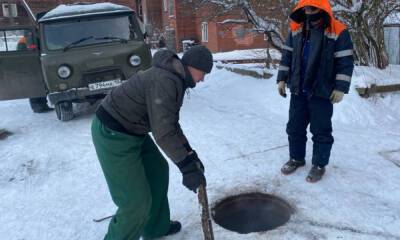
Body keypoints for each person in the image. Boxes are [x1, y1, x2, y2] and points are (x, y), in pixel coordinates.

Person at [91, 45, 213, 240]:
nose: (203, 79)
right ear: (191, 66)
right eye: (203, 73)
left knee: (158, 170)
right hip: (113, 132)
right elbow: (163, 133)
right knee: (135, 203)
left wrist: (189, 154)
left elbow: (170, 123)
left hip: (133, 130)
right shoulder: (165, 80)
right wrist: (186, 167)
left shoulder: (175, 78)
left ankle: (155, 227)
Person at [277, 0, 354, 182]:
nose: (308, 12)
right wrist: (281, 78)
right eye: (305, 8)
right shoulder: (296, 28)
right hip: (298, 89)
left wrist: (340, 88)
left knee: (321, 131)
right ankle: (296, 158)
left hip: (321, 91)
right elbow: (287, 54)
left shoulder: (338, 31)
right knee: (294, 127)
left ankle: (319, 164)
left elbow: (345, 62)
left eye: (311, 8)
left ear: (321, 9)